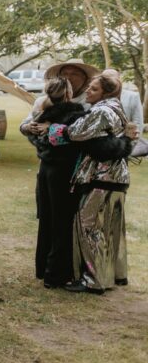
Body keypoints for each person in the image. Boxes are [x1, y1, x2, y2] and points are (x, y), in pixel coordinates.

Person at [47, 73, 131, 293]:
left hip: (102, 175)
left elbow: (76, 132)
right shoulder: (117, 109)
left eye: (94, 89)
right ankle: (112, 274)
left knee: (88, 224)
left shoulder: (102, 111)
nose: (87, 92)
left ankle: (93, 280)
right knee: (110, 228)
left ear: (106, 92)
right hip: (117, 175)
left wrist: (58, 130)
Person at [23, 78, 86, 288]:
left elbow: (35, 137)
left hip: (45, 169)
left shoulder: (43, 114)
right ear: (68, 92)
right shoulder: (76, 114)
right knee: (62, 220)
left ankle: (42, 267)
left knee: (47, 217)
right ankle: (56, 274)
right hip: (64, 171)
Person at [104, 69, 143, 139]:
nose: (109, 81)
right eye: (105, 78)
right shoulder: (98, 96)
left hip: (126, 141)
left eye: (112, 77)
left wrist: (133, 141)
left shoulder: (133, 96)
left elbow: (138, 122)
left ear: (119, 79)